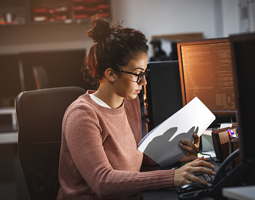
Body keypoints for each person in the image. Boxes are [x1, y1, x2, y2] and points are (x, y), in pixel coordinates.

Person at [57, 13, 216, 200]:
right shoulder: (82, 115)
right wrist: (172, 176)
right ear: (111, 74)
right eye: (137, 74)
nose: (144, 82)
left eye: (145, 73)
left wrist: (175, 156)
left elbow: (133, 157)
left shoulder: (128, 101)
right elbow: (103, 182)